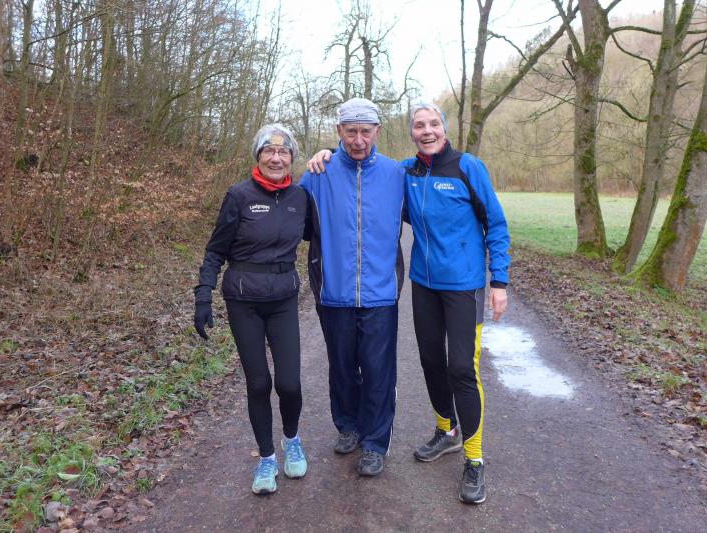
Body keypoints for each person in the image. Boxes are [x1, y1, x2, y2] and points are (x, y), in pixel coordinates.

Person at [307, 102, 510, 504]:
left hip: (464, 284)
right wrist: (327, 152)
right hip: (424, 283)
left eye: (434, 124)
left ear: (444, 128)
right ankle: (446, 431)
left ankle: (474, 459)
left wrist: (499, 280)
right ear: (411, 132)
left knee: (461, 368)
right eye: (419, 125)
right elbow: (359, 170)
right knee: (431, 362)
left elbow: (496, 223)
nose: (427, 131)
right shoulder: (407, 172)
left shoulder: (467, 167)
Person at [193, 124, 308, 496]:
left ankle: (292, 439)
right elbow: (216, 249)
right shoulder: (239, 196)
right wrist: (203, 294)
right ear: (258, 156)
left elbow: (324, 236)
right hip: (244, 301)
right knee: (258, 383)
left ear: (291, 158)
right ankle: (267, 458)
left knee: (289, 383)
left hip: (283, 299)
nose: (276, 158)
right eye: (268, 151)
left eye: (283, 152)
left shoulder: (300, 197)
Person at [299, 97, 405, 477]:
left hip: (380, 293)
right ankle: (348, 425)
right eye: (351, 131)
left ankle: (375, 443)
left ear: (377, 131)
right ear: (339, 131)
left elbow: (432, 215)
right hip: (334, 292)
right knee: (342, 367)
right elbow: (290, 218)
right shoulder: (318, 174)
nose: (358, 140)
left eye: (365, 131)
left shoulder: (396, 174)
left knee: (378, 371)